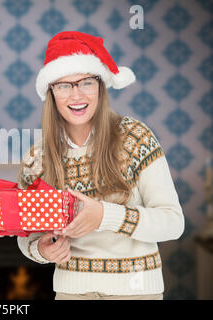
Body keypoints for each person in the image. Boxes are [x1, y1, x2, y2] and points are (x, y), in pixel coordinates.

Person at [17, 31, 184, 300]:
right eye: (63, 85)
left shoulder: (134, 137)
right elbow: (26, 234)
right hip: (71, 292)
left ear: (100, 86)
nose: (76, 95)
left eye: (86, 82)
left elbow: (173, 223)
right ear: (51, 93)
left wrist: (104, 216)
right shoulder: (37, 157)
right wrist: (41, 250)